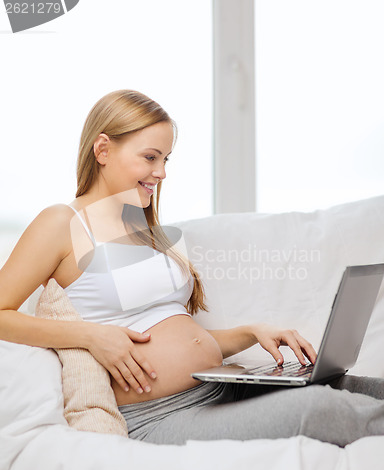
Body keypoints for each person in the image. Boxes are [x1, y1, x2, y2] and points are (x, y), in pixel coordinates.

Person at [0, 89, 383, 448]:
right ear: (103, 149)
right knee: (321, 411)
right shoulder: (63, 223)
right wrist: (89, 336)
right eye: (150, 157)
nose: (162, 172)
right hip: (158, 414)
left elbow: (170, 332)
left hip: (220, 384)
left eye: (165, 159)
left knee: (356, 387)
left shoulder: (143, 228)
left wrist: (251, 331)